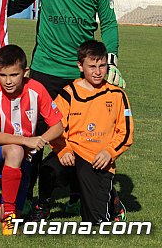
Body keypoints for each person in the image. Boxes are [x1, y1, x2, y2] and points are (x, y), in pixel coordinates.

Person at [7, 0, 122, 210]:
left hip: (80, 73)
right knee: (38, 136)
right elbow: (16, 2)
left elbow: (108, 22)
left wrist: (111, 59)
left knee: (84, 137)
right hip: (45, 69)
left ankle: (82, 194)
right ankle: (29, 199)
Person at [33, 40, 133, 224]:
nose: (98, 71)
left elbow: (125, 133)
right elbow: (54, 127)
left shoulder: (117, 95)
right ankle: (43, 205)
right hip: (72, 152)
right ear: (80, 66)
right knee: (48, 169)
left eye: (102, 66)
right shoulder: (68, 93)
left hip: (98, 159)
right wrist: (62, 149)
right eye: (92, 66)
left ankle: (113, 200)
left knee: (95, 222)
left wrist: (109, 152)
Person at [0, 45, 63, 235]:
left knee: (19, 209)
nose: (7, 81)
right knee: (15, 150)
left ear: (25, 72)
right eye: (2, 75)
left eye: (13, 75)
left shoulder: (37, 89)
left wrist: (39, 140)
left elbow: (58, 126)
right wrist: (27, 141)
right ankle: (8, 218)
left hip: (24, 153)